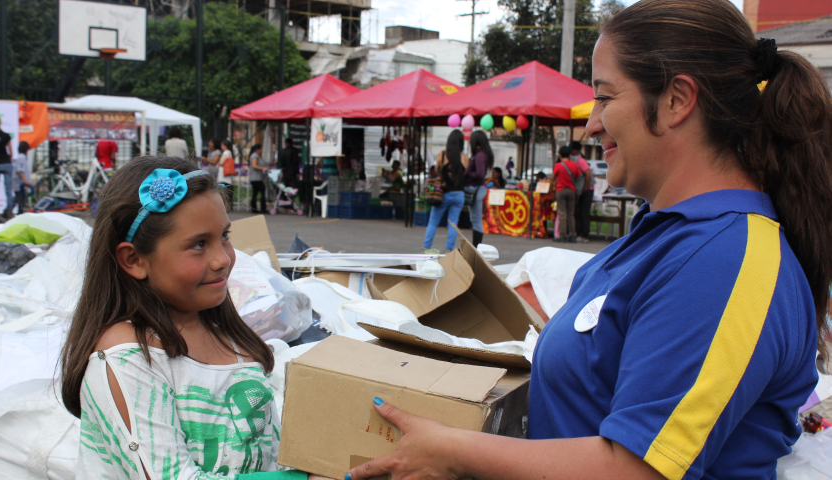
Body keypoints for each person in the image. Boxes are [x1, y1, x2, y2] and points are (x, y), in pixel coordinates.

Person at [344, 1, 832, 479]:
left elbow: (638, 469)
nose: (591, 123)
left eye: (605, 96)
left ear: (677, 100)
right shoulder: (662, 236)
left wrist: (454, 451)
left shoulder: (724, 260)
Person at [59, 157, 314, 480]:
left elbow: (268, 457)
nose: (223, 259)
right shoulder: (129, 354)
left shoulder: (231, 340)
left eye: (224, 236)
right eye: (198, 245)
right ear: (134, 259)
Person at [424, 130, 468, 254]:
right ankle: (449, 249)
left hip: (443, 194)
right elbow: (465, 175)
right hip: (459, 194)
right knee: (453, 223)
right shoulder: (465, 158)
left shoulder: (442, 155)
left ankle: (426, 246)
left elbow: (437, 170)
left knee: (433, 221)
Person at [465, 131, 494, 247]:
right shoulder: (483, 154)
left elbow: (480, 174)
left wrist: (468, 173)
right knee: (475, 219)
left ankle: (477, 247)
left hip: (476, 189)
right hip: (478, 189)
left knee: (476, 220)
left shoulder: (480, 155)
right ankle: (476, 246)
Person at [552, 146, 581, 243]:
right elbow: (578, 176)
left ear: (560, 155)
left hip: (560, 190)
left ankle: (562, 235)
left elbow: (553, 177)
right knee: (571, 214)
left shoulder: (558, 165)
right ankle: (572, 235)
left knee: (562, 213)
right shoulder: (574, 165)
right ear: (570, 154)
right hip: (571, 190)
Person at [571, 141, 593, 243]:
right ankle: (578, 232)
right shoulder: (576, 159)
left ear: (575, 150)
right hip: (581, 189)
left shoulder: (580, 160)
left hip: (587, 189)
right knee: (578, 212)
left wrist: (585, 188)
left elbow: (588, 174)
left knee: (584, 212)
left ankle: (584, 234)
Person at [11, 141, 31, 215]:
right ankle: (8, 210)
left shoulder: (21, 157)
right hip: (19, 183)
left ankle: (20, 211)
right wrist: (25, 181)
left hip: (20, 183)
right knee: (18, 198)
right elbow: (20, 171)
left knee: (21, 198)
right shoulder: (22, 158)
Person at [249, 144, 268, 214]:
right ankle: (263, 208)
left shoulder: (255, 156)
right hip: (257, 178)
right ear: (257, 149)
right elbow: (254, 165)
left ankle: (254, 208)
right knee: (262, 192)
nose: (261, 151)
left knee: (255, 193)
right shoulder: (255, 156)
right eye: (261, 149)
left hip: (256, 178)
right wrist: (264, 168)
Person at [218, 139, 236, 211]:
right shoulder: (230, 152)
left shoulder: (226, 152)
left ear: (225, 146)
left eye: (222, 145)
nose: (221, 146)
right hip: (227, 176)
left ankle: (225, 207)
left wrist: (218, 163)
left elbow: (221, 162)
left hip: (223, 176)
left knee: (223, 191)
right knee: (227, 191)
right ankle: (227, 207)